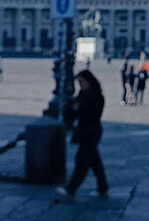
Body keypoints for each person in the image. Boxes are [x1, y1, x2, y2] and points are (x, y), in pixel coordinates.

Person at [57, 70, 108, 200]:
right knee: (94, 161)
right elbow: (74, 114)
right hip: (85, 131)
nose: (80, 85)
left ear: (89, 81)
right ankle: (103, 186)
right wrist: (70, 108)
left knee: (82, 160)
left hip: (93, 131)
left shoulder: (98, 96)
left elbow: (94, 115)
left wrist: (79, 109)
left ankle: (71, 189)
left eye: (81, 82)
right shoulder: (82, 94)